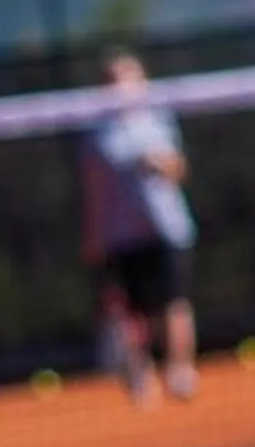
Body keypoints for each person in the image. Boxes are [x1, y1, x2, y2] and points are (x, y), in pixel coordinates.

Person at [77, 49, 199, 406]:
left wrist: (158, 164)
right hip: (120, 235)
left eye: (127, 77)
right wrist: (94, 234)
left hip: (165, 227)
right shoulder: (96, 133)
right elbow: (93, 191)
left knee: (173, 301)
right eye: (112, 79)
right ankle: (140, 377)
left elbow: (179, 170)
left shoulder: (157, 120)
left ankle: (180, 369)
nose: (121, 86)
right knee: (131, 311)